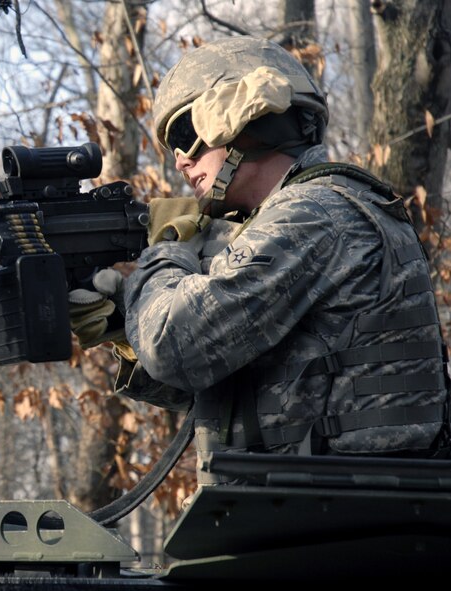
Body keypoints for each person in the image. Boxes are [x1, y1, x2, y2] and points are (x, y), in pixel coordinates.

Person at [70, 35, 450, 486]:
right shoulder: (307, 214)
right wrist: (125, 320)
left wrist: (165, 253)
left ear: (252, 120)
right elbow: (216, 383)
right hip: (321, 509)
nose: (179, 162)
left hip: (342, 519)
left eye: (187, 137)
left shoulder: (314, 214)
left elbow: (173, 349)